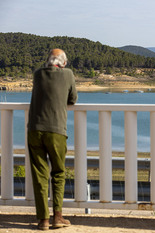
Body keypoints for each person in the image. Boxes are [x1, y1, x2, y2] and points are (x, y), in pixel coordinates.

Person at [27, 48, 77, 230]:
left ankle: (43, 220)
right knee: (58, 173)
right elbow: (73, 99)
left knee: (39, 175)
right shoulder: (68, 74)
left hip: (34, 129)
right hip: (56, 131)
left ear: (48, 61)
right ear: (63, 63)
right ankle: (58, 216)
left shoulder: (38, 74)